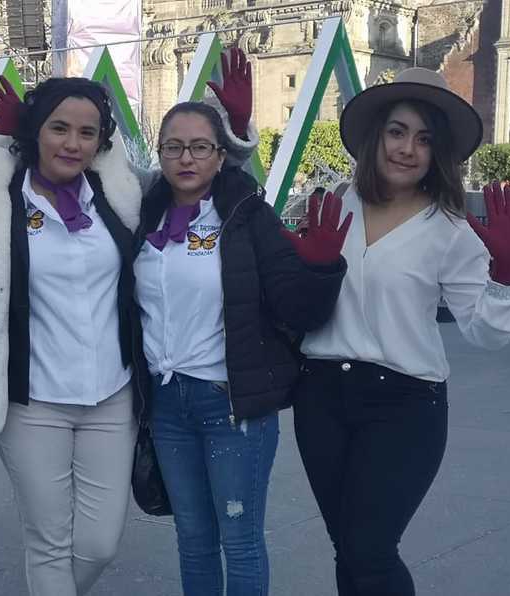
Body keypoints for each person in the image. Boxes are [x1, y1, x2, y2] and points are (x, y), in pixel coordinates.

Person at [0, 48, 260, 596]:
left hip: (112, 396)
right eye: (58, 128)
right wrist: (5, 143)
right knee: (50, 542)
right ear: (35, 130)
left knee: (99, 543)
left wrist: (236, 130)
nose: (72, 144)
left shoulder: (122, 191)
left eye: (86, 132)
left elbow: (195, 173)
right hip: (32, 401)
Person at [293, 68, 510, 596]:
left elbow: (485, 334)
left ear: (438, 153)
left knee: (371, 551)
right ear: (376, 136)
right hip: (322, 395)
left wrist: (506, 276)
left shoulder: (450, 228)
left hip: (403, 404)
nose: (407, 149)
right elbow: (298, 303)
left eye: (424, 139)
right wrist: (307, 271)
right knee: (347, 546)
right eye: (397, 132)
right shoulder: (334, 204)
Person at [133, 101, 350, 596]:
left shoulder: (248, 216)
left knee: (240, 540)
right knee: (193, 539)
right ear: (161, 154)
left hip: (229, 403)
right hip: (166, 404)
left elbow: (298, 311)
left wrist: (319, 269)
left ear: (220, 156)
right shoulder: (144, 216)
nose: (186, 158)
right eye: (173, 147)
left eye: (200, 147)